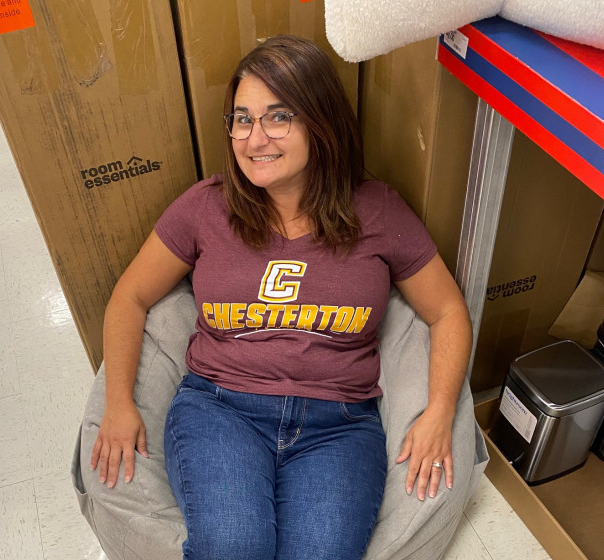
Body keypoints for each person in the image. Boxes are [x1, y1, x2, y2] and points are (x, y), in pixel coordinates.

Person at [90, 35, 472, 560]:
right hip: (221, 409)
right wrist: (117, 403)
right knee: (235, 547)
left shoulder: (378, 210)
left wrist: (439, 411)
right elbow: (130, 296)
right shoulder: (206, 207)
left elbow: (447, 310)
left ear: (320, 122)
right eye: (242, 119)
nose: (254, 138)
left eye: (277, 117)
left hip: (338, 426)